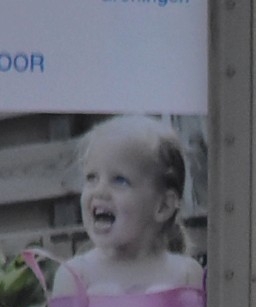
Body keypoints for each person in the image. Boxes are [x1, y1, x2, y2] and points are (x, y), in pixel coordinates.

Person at [49, 115, 202, 296]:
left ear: (163, 206)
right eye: (92, 178)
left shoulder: (185, 274)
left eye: (120, 180)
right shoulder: (75, 276)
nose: (99, 191)